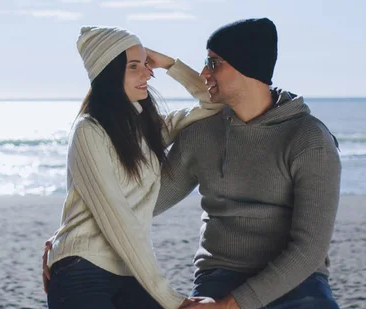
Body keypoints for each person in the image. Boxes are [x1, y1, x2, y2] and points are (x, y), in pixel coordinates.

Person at [146, 18, 342, 309]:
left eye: (214, 64)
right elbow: (145, 203)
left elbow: (309, 250)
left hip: (297, 282)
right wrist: (67, 240)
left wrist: (231, 305)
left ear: (247, 67)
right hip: (219, 275)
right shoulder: (201, 133)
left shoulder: (309, 139)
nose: (204, 73)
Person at [43, 26, 222, 309]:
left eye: (147, 65)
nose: (148, 74)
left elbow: (215, 104)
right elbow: (119, 221)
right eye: (134, 66)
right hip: (82, 269)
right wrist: (172, 300)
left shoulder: (147, 129)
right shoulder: (89, 132)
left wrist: (170, 64)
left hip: (129, 271)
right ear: (109, 74)